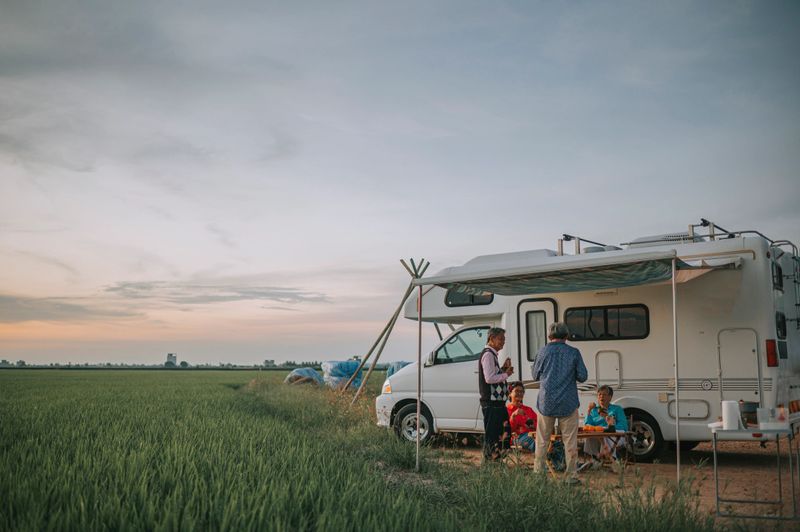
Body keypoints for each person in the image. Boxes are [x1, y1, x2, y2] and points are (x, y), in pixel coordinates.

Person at [532, 322, 588, 484]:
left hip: (546, 402)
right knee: (569, 441)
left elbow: (536, 375)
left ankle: (539, 475)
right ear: (566, 336)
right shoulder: (574, 353)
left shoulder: (542, 352)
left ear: (549, 336)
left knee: (542, 440)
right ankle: (571, 477)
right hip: (568, 402)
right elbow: (583, 376)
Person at [478, 327, 514, 461]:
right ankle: (490, 460)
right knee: (493, 433)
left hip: (496, 402)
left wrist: (503, 369)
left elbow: (493, 375)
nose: (503, 342)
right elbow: (489, 378)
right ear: (491, 339)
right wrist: (506, 374)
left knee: (501, 431)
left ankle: (495, 458)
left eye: (504, 339)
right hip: (491, 402)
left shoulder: (492, 355)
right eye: (501, 339)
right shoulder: (488, 355)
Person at [582, 385, 629, 465]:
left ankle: (610, 458)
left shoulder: (617, 409)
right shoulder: (594, 410)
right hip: (598, 436)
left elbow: (624, 426)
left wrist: (609, 423)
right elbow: (587, 425)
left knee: (605, 436)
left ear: (610, 397)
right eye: (599, 394)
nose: (601, 397)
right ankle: (595, 459)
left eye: (604, 395)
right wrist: (589, 411)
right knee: (591, 436)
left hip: (616, 436)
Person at [506, 382, 537, 451]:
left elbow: (538, 423)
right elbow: (507, 431)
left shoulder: (528, 409)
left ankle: (560, 461)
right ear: (510, 393)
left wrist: (533, 425)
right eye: (517, 391)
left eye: (522, 391)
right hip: (517, 437)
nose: (519, 393)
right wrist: (513, 416)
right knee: (539, 443)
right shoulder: (506, 410)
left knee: (554, 443)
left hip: (533, 435)